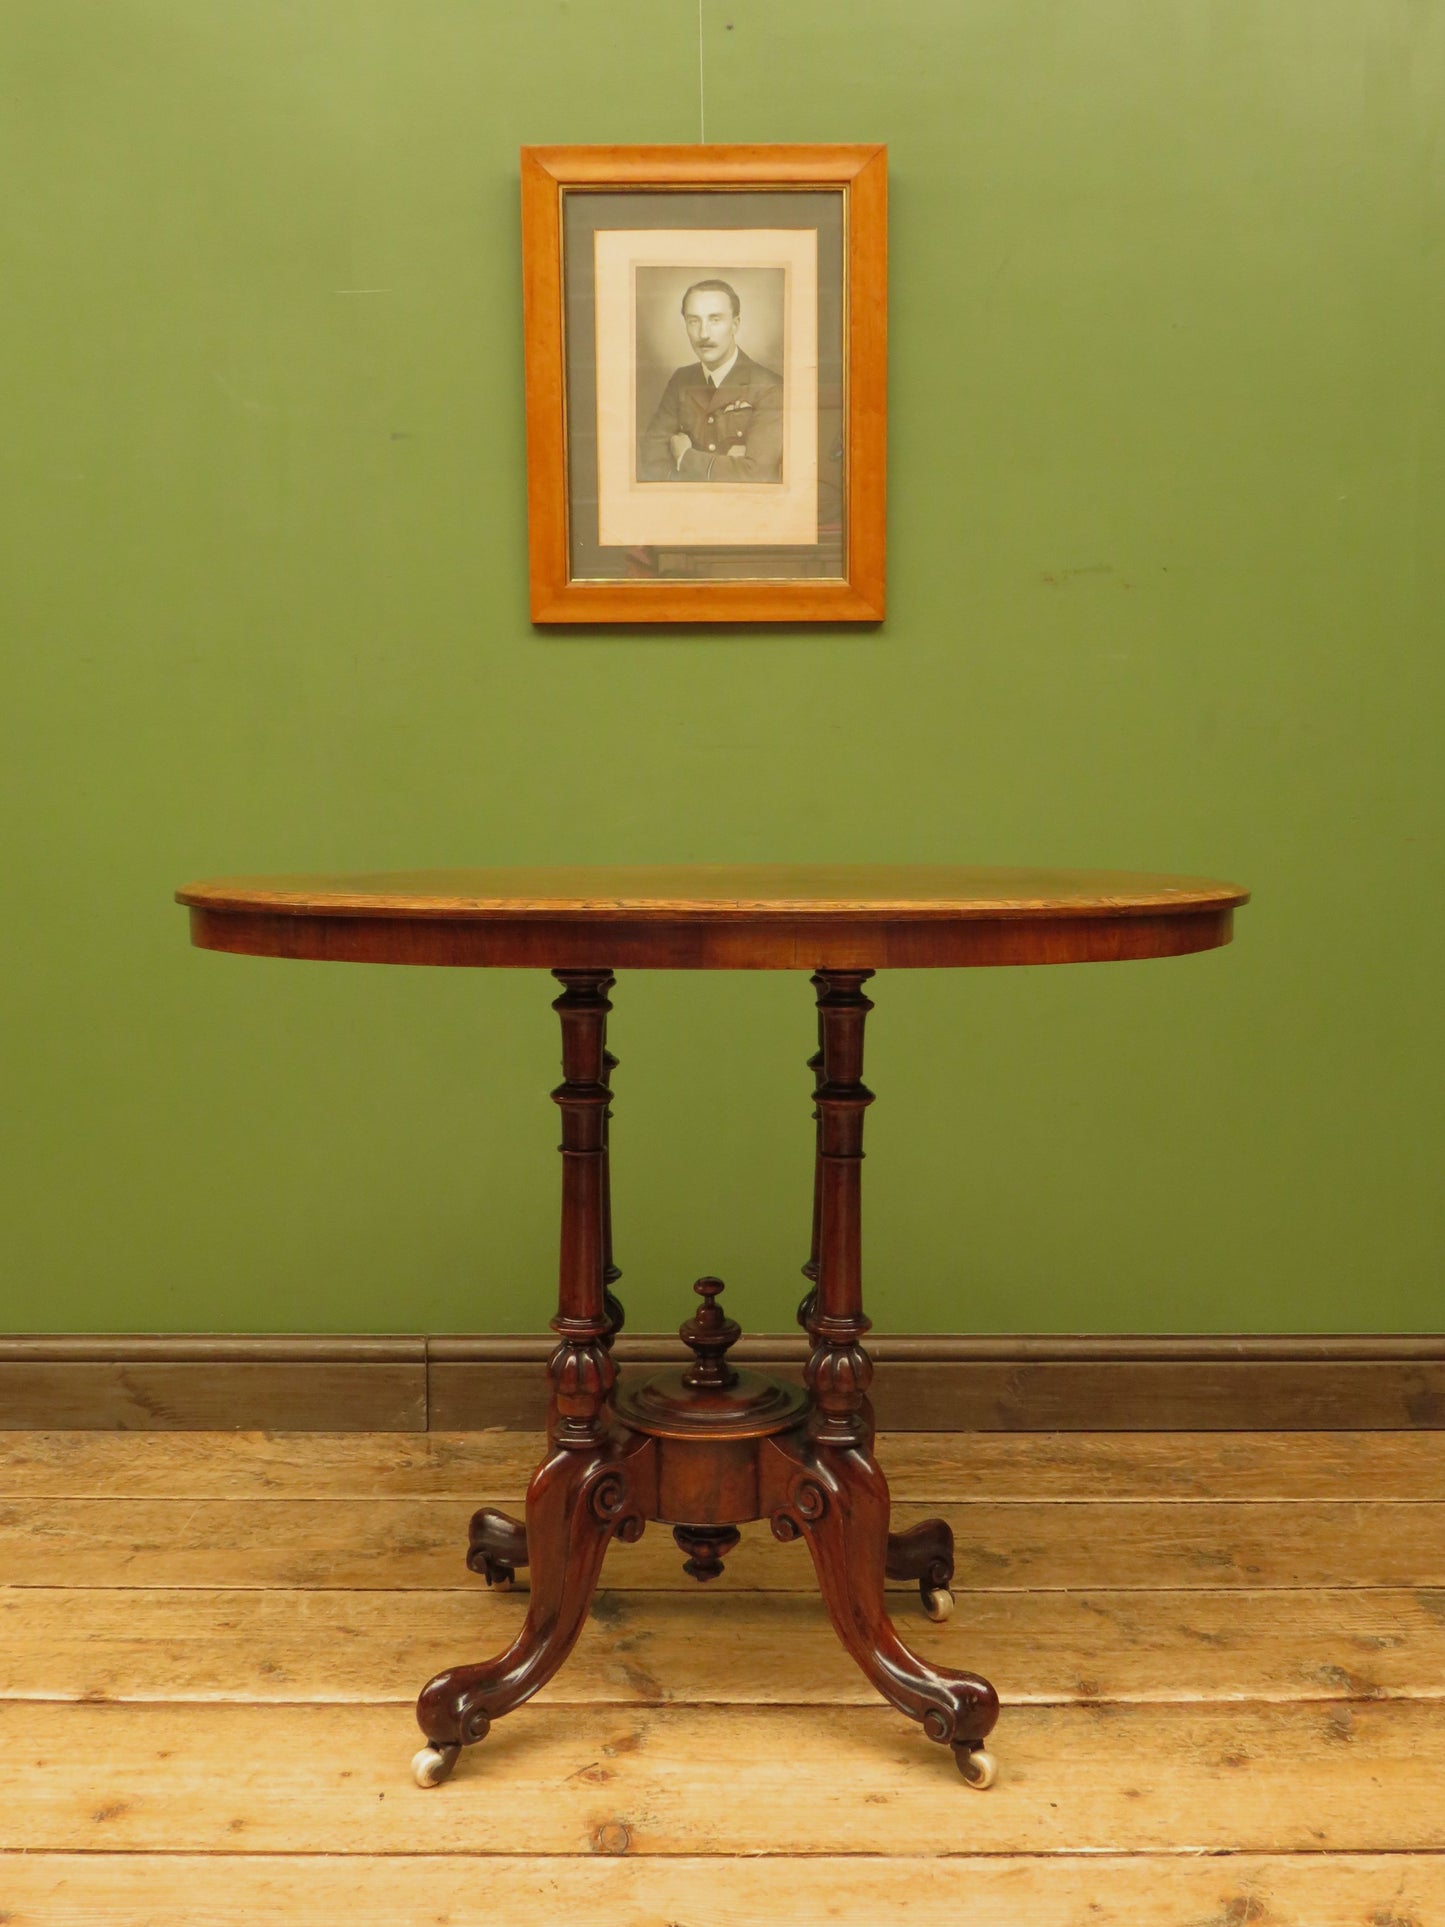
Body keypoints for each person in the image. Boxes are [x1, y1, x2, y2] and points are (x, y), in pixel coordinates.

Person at [637, 279, 784, 483]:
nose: (703, 334)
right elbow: (651, 459)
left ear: (735, 325)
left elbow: (756, 473)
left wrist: (685, 458)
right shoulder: (681, 380)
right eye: (694, 321)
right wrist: (727, 467)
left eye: (715, 320)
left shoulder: (770, 387)